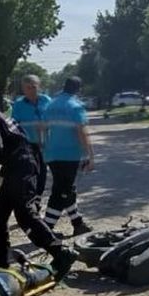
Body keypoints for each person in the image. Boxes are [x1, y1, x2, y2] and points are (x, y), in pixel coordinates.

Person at [0, 84, 78, 279]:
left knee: (25, 216)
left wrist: (1, 171)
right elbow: (7, 145)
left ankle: (61, 253)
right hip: (19, 164)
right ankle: (2, 258)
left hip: (21, 167)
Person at [41, 76, 95, 237]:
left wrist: (45, 147)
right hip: (70, 155)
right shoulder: (76, 106)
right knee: (61, 192)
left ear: (64, 87)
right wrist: (89, 155)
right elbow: (82, 132)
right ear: (78, 89)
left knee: (66, 189)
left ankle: (78, 223)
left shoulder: (50, 105)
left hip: (52, 154)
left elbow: (43, 129)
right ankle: (46, 229)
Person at [10, 74, 52, 198]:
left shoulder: (47, 101)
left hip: (45, 145)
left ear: (39, 87)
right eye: (27, 88)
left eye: (33, 87)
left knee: (43, 172)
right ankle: (31, 197)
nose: (31, 90)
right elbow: (14, 125)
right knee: (30, 172)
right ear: (23, 89)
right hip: (28, 145)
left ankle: (38, 197)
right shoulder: (18, 104)